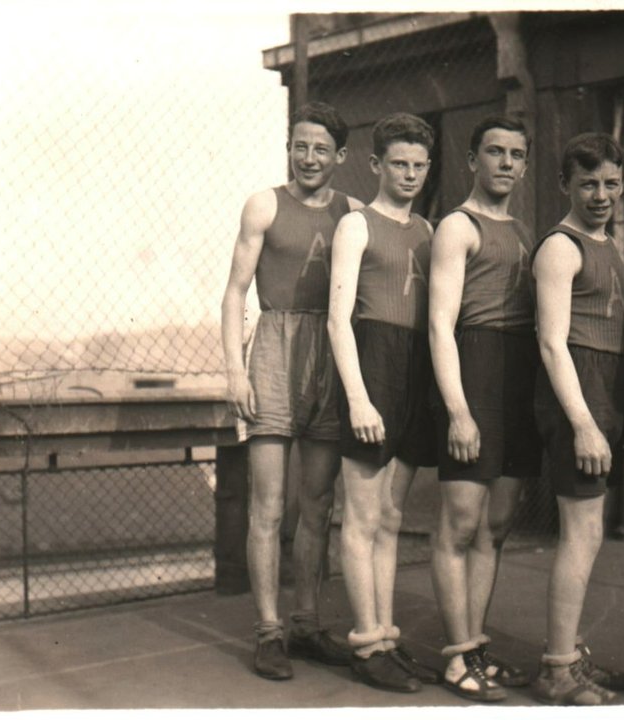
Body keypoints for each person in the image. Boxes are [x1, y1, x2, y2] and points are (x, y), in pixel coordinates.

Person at [221, 101, 362, 681]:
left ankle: (306, 623)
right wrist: (235, 369)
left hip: (331, 350)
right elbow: (234, 293)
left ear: (340, 156)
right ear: (290, 148)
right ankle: (269, 632)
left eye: (321, 149)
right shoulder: (264, 204)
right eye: (300, 146)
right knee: (269, 504)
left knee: (319, 504)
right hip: (276, 349)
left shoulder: (352, 213)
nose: (309, 158)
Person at [327, 112, 443, 693]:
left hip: (415, 368)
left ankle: (386, 637)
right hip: (372, 363)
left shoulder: (428, 230)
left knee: (393, 516)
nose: (410, 174)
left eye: (420, 165)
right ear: (376, 165)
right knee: (363, 514)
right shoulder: (357, 226)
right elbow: (338, 320)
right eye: (399, 163)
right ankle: (365, 643)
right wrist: (358, 399)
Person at [428, 115, 540, 702]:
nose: (505, 163)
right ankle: (456, 658)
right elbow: (441, 326)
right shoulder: (456, 226)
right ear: (473, 159)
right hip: (473, 368)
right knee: (461, 523)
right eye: (494, 152)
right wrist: (458, 411)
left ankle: (475, 648)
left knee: (495, 526)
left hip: (517, 376)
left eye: (516, 154)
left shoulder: (524, 231)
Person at [529, 133, 624, 705]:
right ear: (566, 183)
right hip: (577, 391)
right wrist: (585, 423)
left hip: (605, 384)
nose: (601, 195)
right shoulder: (561, 248)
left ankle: (568, 654)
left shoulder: (608, 245)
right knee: (581, 532)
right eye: (588, 183)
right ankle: (555, 668)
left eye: (611, 183)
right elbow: (552, 344)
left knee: (589, 533)